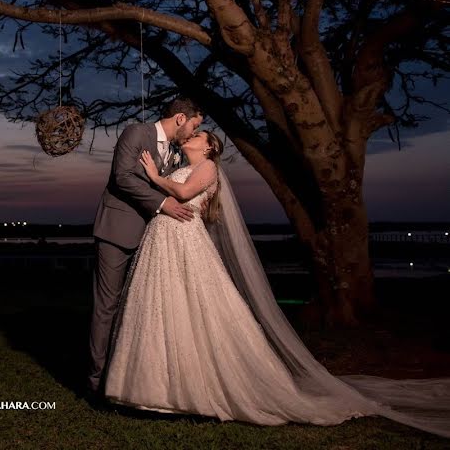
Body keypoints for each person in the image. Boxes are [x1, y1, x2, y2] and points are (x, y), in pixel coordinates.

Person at [102, 129, 450, 438]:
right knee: (162, 309)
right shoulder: (181, 161)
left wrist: (152, 175)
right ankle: (154, 392)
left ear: (209, 148)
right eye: (193, 132)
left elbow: (182, 192)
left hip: (184, 242)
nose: (193, 136)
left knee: (197, 309)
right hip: (162, 241)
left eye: (200, 135)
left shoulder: (208, 168)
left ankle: (197, 391)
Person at [88, 97, 203, 395]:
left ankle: (127, 377)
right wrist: (163, 202)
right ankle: (96, 380)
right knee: (107, 306)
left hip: (154, 240)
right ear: (180, 118)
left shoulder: (177, 150)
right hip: (118, 231)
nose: (193, 132)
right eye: (194, 125)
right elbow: (123, 177)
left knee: (139, 307)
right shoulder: (136, 133)